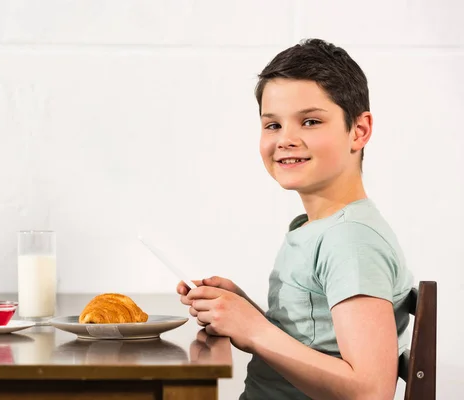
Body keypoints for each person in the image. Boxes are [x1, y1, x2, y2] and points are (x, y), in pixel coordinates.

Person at [177, 38, 414, 400]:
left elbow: (371, 391)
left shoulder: (350, 241)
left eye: (310, 121)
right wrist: (244, 311)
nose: (286, 139)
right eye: (272, 125)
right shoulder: (319, 228)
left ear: (359, 131)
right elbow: (317, 339)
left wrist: (255, 329)